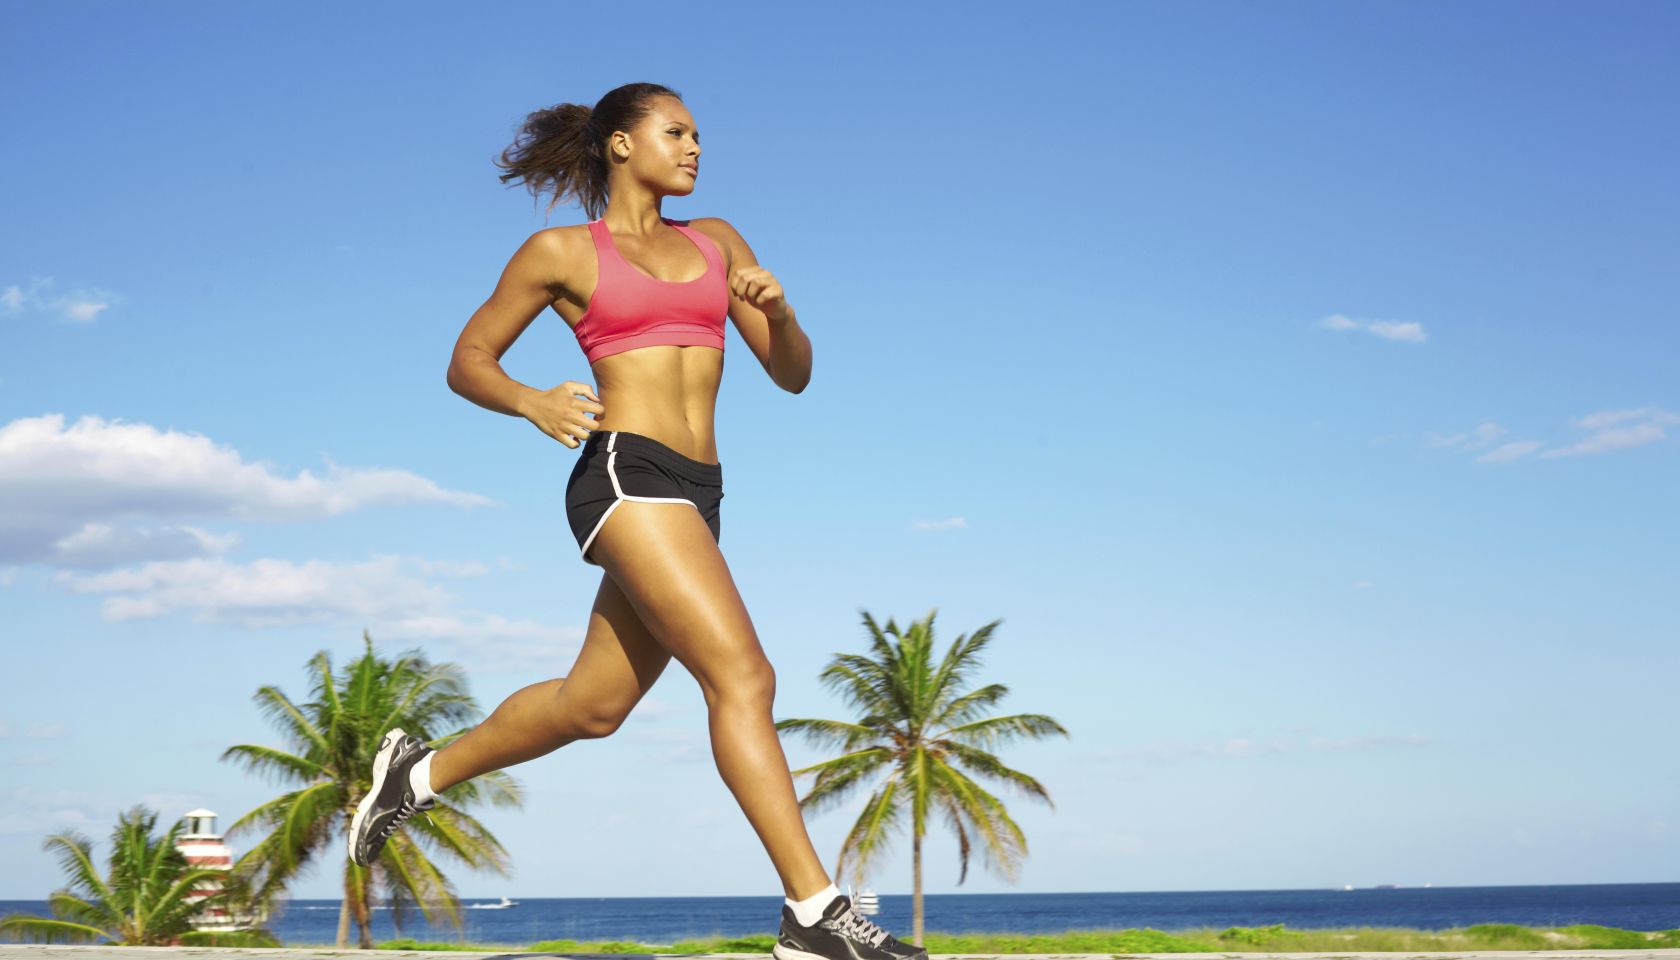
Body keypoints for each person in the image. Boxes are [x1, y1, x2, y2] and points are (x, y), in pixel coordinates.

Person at [345, 82, 925, 960]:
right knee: (744, 677)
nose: (695, 148)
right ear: (621, 143)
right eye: (676, 132)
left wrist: (780, 312)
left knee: (594, 707)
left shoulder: (717, 241)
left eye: (698, 136)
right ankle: (813, 913)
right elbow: (468, 359)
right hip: (624, 473)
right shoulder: (562, 251)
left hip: (700, 491)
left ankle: (416, 774)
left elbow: (793, 375)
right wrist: (530, 400)